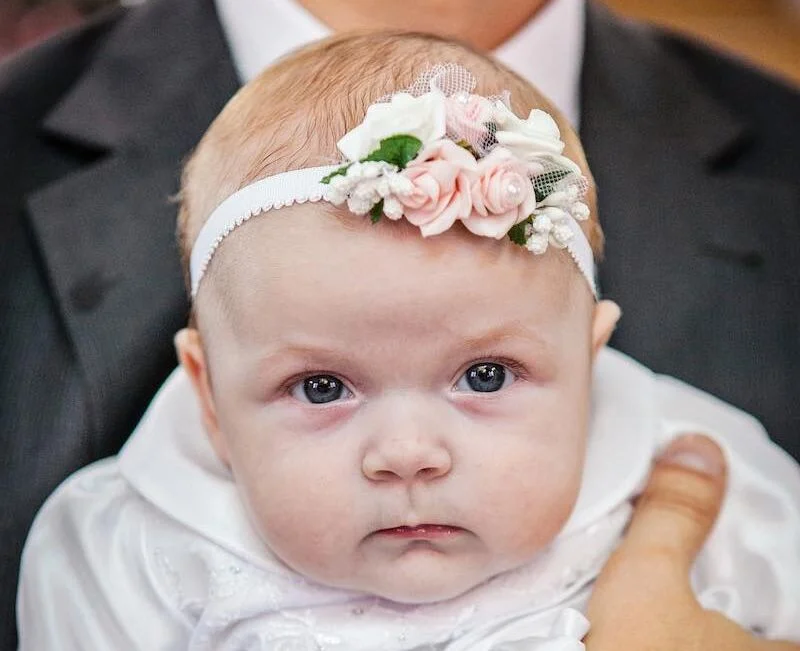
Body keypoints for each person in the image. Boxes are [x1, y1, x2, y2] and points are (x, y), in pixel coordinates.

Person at [2, 0, 798, 646]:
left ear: (592, 363)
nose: (408, 454)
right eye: (320, 386)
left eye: (486, 375)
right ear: (206, 394)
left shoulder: (694, 473)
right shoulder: (139, 550)